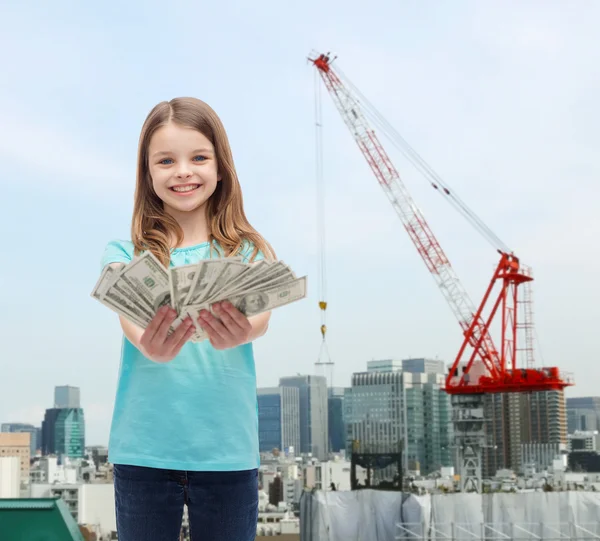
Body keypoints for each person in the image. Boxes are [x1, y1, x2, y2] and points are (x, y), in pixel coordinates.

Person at [99, 97, 275, 541]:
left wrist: (242, 329)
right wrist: (148, 343)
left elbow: (262, 318)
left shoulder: (248, 252)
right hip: (143, 451)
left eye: (199, 157)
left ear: (221, 169)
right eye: (165, 160)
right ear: (148, 173)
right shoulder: (125, 254)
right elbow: (129, 321)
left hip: (228, 454)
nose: (183, 171)